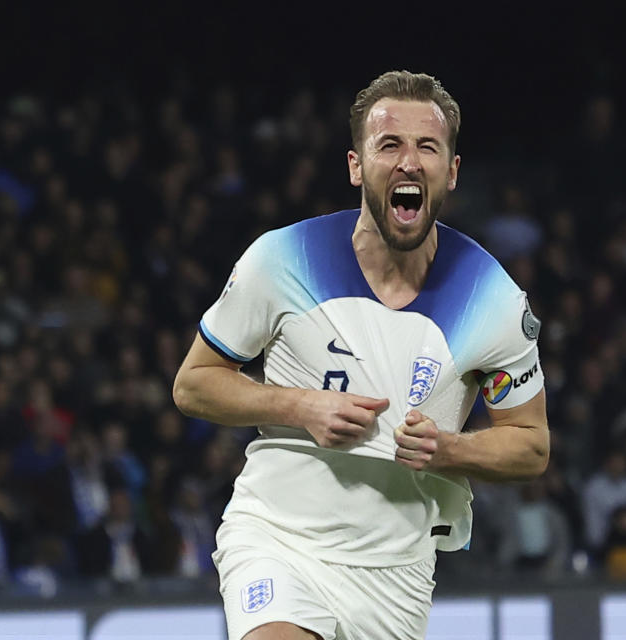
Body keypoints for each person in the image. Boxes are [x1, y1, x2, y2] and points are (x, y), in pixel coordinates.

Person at [173, 70, 550, 640]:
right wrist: (301, 407)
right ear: (356, 167)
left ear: (450, 172)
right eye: (389, 144)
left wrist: (448, 448)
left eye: (427, 146)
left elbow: (531, 445)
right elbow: (194, 383)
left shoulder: (493, 300)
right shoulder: (280, 260)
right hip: (279, 538)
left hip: (395, 574)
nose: (408, 162)